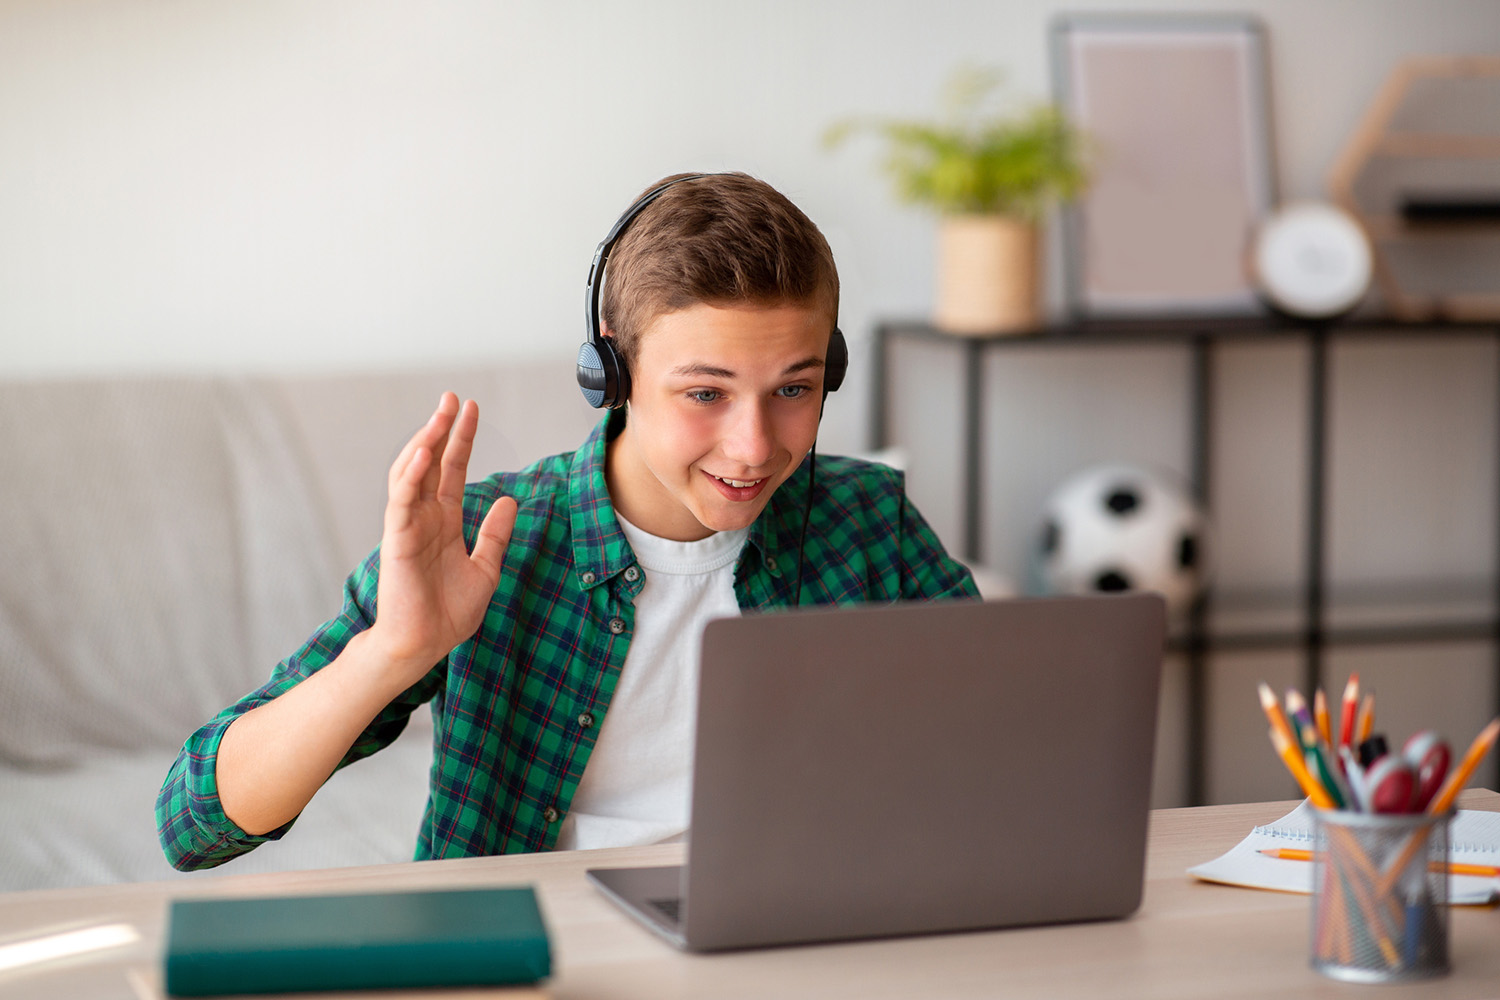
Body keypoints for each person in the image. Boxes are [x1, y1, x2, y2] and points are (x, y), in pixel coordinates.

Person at [156, 172, 977, 870]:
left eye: (794, 389)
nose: (754, 445)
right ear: (611, 371)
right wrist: (391, 653)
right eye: (705, 394)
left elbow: (1010, 748)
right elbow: (190, 826)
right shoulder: (489, 540)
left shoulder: (868, 521)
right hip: (544, 957)